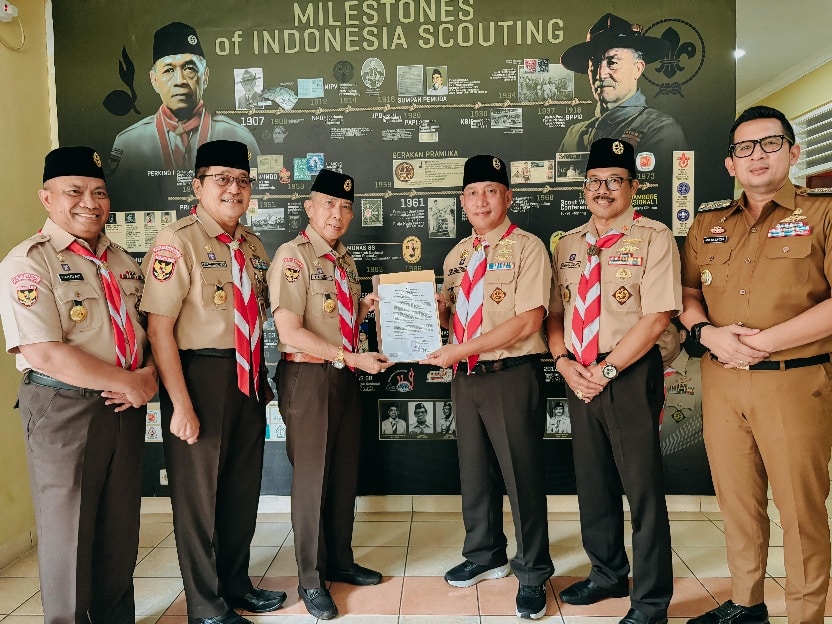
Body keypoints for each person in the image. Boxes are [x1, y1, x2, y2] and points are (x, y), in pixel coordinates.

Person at [679, 105, 832, 624]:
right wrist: (706, 333)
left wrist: (763, 342)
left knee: (800, 513)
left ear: (793, 151)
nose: (757, 155)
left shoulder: (822, 215)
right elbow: (687, 294)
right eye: (744, 148)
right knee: (738, 505)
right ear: (730, 163)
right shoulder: (708, 224)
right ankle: (747, 606)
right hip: (722, 381)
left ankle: (806, 616)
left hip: (795, 383)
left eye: (770, 143)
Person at [0, 146, 158, 623]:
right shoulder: (29, 262)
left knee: (119, 529)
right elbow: (43, 352)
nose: (90, 202)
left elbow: (145, 332)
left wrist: (148, 375)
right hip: (63, 407)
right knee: (67, 531)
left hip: (123, 406)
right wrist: (131, 383)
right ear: (47, 198)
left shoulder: (121, 260)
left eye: (99, 192)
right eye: (75, 191)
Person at [140, 140, 286, 624]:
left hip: (246, 375)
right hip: (198, 375)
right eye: (221, 179)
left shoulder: (252, 245)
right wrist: (180, 404)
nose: (233, 189)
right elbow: (159, 331)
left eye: (242, 180)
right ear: (197, 185)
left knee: (241, 490)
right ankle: (205, 605)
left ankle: (236, 582)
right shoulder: (176, 242)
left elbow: (255, 318)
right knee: (199, 500)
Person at [546, 138, 680, 624]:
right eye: (595, 181)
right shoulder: (568, 243)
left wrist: (605, 371)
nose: (603, 190)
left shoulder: (654, 237)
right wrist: (563, 362)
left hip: (627, 372)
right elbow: (554, 313)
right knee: (593, 481)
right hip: (578, 372)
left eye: (615, 181)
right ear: (585, 187)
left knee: (641, 489)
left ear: (633, 187)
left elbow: (658, 316)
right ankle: (606, 574)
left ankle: (651, 601)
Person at [421, 154, 554, 620]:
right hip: (467, 377)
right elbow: (456, 320)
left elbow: (529, 320)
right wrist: (437, 313)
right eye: (473, 193)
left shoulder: (528, 248)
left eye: (491, 191)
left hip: (510, 375)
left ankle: (533, 572)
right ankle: (484, 554)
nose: (481, 201)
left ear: (507, 197)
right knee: (474, 473)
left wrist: (460, 348)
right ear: (462, 201)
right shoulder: (458, 255)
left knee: (521, 476)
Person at [267, 168, 392, 620]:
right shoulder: (293, 256)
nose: (337, 214)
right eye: (328, 204)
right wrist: (349, 356)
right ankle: (311, 578)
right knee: (312, 480)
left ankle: (339, 559)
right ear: (309, 207)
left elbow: (333, 318)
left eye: (345, 206)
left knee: (342, 474)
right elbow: (290, 331)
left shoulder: (345, 261)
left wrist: (362, 308)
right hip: (308, 377)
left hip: (342, 375)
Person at [108, 22, 261, 213]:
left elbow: (259, 201)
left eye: (189, 68)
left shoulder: (239, 137)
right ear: (154, 80)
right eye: (168, 70)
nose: (180, 80)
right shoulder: (129, 143)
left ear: (205, 76)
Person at [558, 13, 686, 190]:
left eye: (612, 63)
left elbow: (657, 194)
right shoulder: (574, 136)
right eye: (594, 64)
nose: (601, 73)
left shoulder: (661, 129)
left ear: (637, 69)